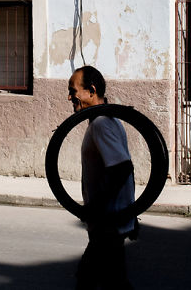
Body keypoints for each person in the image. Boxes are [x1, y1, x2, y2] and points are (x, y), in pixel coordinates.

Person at [67, 65, 136, 290]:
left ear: (91, 90)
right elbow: (124, 168)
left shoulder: (101, 124)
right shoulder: (107, 120)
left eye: (73, 90)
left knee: (90, 281)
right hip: (109, 223)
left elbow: (122, 168)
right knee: (113, 282)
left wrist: (96, 208)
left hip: (107, 224)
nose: (69, 96)